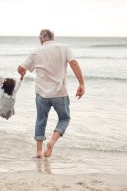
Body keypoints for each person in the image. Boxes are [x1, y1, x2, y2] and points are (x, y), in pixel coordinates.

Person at [17, 29, 85, 158]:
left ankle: (38, 152)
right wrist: (81, 83)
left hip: (41, 93)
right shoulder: (64, 48)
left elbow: (20, 68)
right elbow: (74, 64)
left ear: (41, 39)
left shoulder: (35, 51)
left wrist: (22, 73)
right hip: (60, 92)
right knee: (64, 118)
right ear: (53, 37)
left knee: (41, 119)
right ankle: (52, 142)